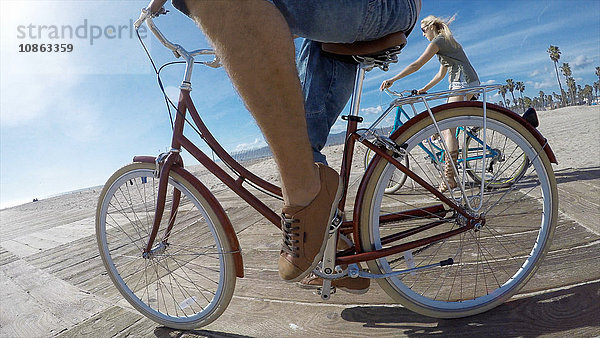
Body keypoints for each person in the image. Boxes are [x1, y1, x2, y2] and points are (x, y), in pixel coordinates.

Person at [147, 0, 421, 293]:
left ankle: (305, 197)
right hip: (341, 29)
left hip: (386, 6)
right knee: (300, 138)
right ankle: (335, 256)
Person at [380, 15, 479, 192]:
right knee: (446, 125)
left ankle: (449, 178)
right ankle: (449, 169)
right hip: (464, 82)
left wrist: (392, 79)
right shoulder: (446, 42)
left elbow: (416, 65)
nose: (423, 34)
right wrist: (423, 89)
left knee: (448, 129)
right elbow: (441, 75)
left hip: (462, 82)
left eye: (423, 30)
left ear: (431, 27)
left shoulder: (439, 41)